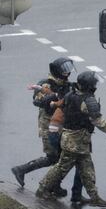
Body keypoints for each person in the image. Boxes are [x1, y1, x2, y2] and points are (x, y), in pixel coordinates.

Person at [36, 71, 106, 207]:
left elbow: (60, 104)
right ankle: (42, 189)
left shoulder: (71, 94)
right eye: (94, 83)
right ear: (90, 86)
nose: (96, 85)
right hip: (75, 142)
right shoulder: (87, 100)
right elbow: (98, 121)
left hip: (74, 141)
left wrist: (52, 104)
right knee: (61, 168)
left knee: (87, 169)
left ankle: (94, 197)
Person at [11, 57, 80, 198]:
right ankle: (22, 170)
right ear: (56, 71)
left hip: (62, 125)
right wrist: (53, 96)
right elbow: (38, 101)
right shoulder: (45, 84)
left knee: (61, 158)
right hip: (49, 126)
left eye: (68, 71)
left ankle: (54, 185)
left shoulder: (67, 85)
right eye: (64, 71)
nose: (67, 74)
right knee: (53, 157)